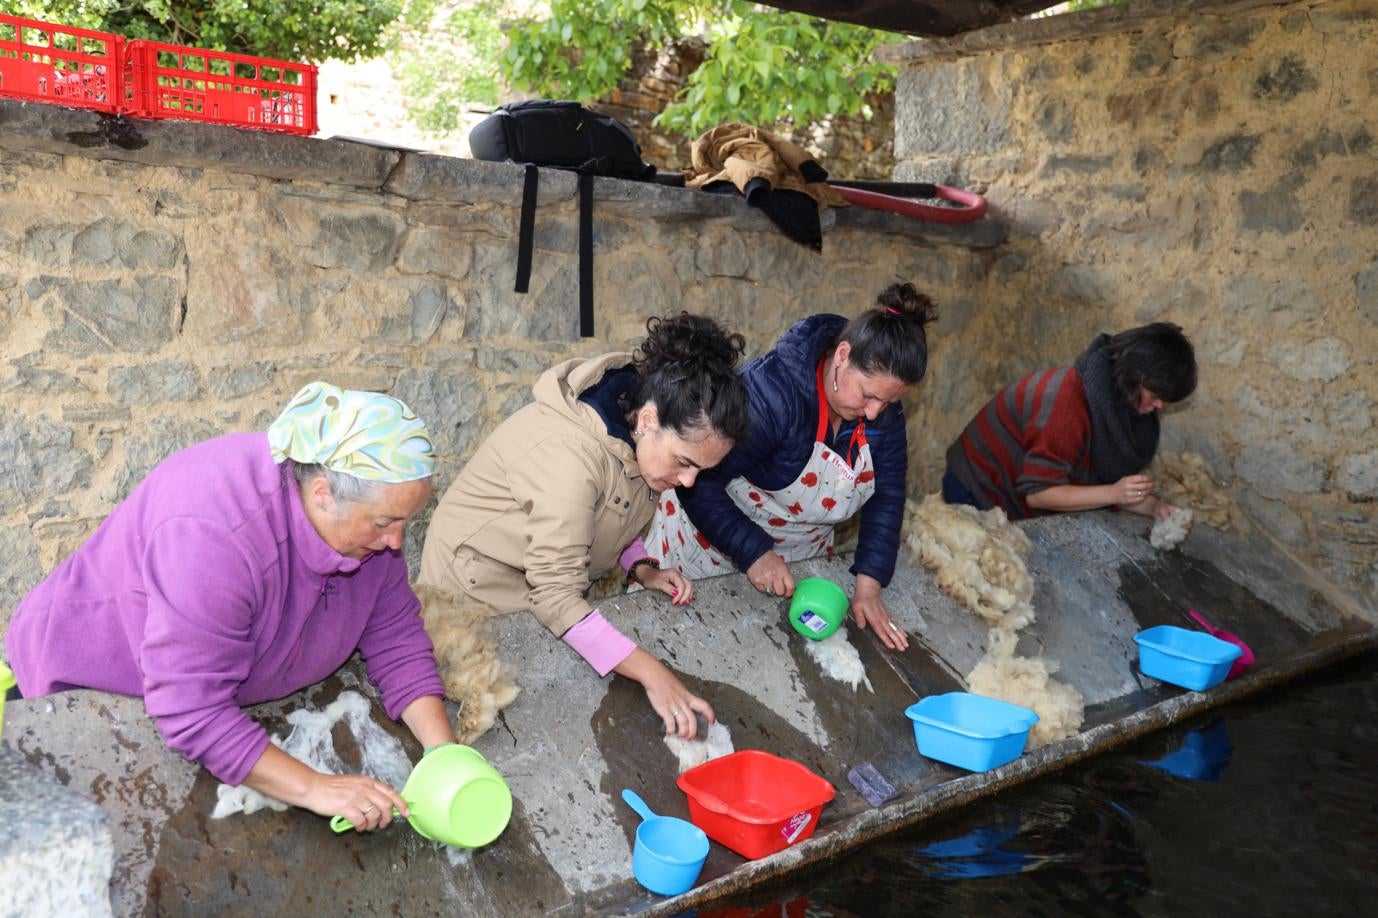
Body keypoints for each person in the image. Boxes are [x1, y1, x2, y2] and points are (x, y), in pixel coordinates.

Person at [4, 382, 453, 833]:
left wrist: (444, 757)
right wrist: (316, 788)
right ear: (323, 493)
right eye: (384, 523)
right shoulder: (216, 536)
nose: (396, 541)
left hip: (208, 700)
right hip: (90, 687)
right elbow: (190, 709)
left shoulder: (367, 531)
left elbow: (395, 633)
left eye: (404, 523)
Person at [420, 314, 749, 739]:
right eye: (684, 463)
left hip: (534, 585)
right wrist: (653, 672)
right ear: (648, 420)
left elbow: (610, 511)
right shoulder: (570, 456)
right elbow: (555, 595)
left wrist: (640, 565)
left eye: (701, 471)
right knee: (511, 735)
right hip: (471, 595)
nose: (688, 482)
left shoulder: (636, 432)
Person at [646, 283, 940, 652]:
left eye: (889, 401)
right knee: (682, 646)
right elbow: (700, 484)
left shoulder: (883, 415)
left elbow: (888, 496)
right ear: (843, 355)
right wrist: (753, 551)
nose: (875, 412)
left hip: (796, 560)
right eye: (868, 395)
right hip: (705, 550)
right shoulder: (770, 395)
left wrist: (868, 587)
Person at [942, 322, 1197, 521]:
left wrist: (1155, 507)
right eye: (1155, 396)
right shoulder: (1066, 404)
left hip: (1023, 491)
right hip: (977, 488)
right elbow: (1040, 494)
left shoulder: (1122, 408)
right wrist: (1113, 493)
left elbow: (1111, 485)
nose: (1159, 406)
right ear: (1134, 377)